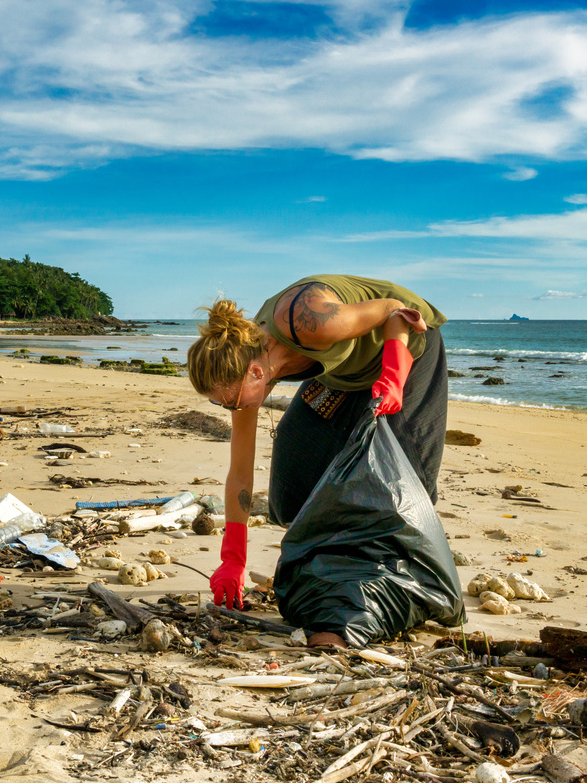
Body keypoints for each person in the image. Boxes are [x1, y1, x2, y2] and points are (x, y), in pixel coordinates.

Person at [187, 275, 450, 647]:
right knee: (291, 484)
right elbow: (241, 472)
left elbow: (395, 310)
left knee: (403, 480)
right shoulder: (247, 369)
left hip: (406, 350)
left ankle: (393, 582)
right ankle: (329, 567)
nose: (230, 408)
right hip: (343, 375)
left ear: (256, 373)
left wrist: (392, 375)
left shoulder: (309, 320)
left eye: (229, 402)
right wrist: (233, 557)